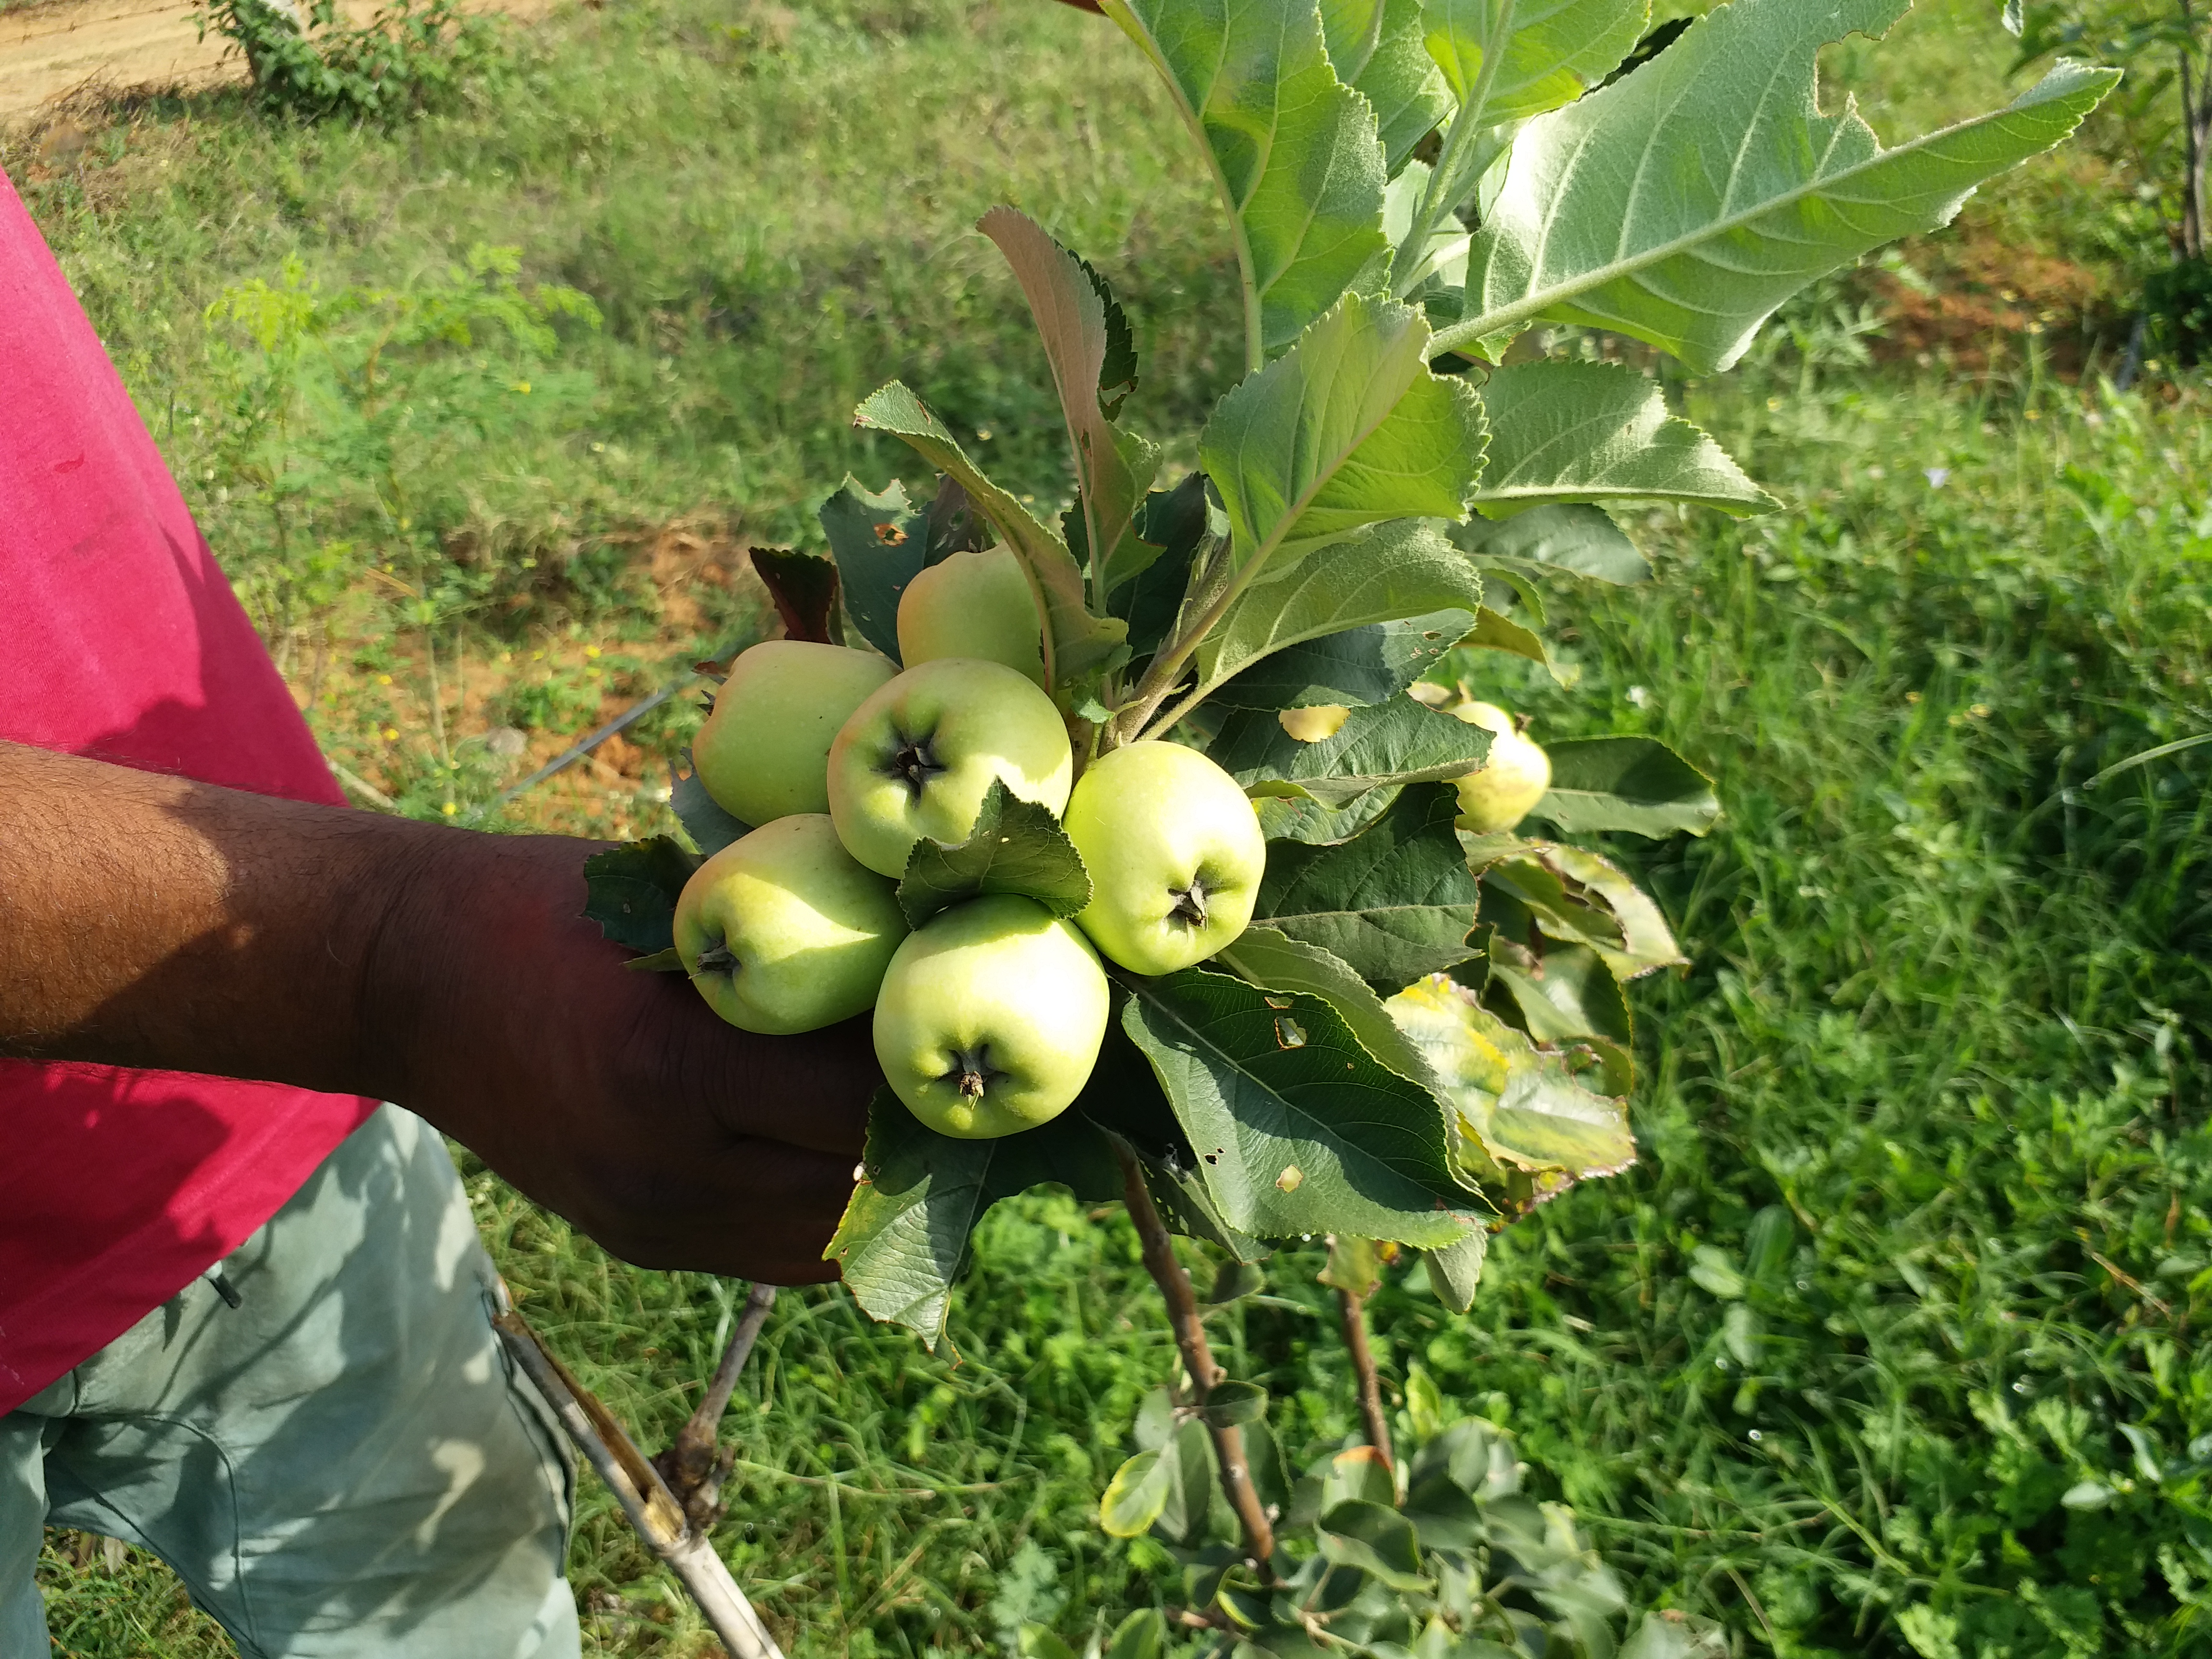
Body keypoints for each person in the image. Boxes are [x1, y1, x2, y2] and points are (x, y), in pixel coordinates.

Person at [0, 157, 883, 1652]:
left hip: (273, 1085)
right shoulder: (379, 969)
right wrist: (384, 960)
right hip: (305, 973)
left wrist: (374, 968)